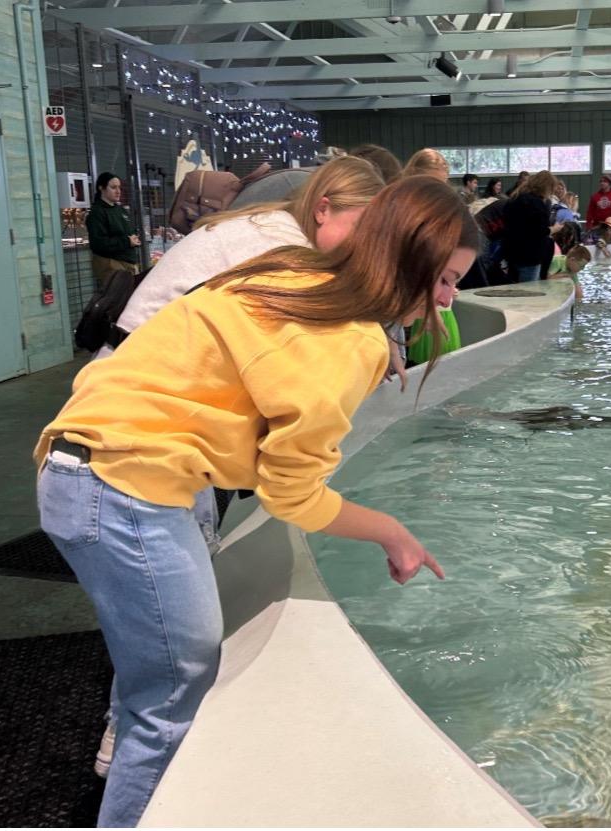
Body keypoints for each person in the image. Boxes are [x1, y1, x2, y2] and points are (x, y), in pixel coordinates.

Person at [34, 176, 478, 828]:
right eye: (442, 278)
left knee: (155, 685)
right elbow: (291, 493)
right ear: (403, 259)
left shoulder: (291, 272)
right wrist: (391, 531)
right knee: (173, 698)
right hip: (127, 489)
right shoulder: (349, 335)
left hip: (85, 462)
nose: (449, 297)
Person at [103, 156, 384, 357]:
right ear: (322, 210)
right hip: (136, 380)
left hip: (143, 367)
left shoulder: (271, 224)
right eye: (358, 227)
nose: (360, 244)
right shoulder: (278, 243)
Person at [501, 169, 558, 283]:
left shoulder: (515, 198)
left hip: (512, 251)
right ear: (546, 187)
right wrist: (553, 229)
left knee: (515, 286)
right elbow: (539, 231)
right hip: (530, 255)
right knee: (530, 290)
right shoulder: (537, 203)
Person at [86, 172, 140, 286]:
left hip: (129, 262)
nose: (118, 191)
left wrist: (134, 239)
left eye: (119, 187)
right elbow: (98, 244)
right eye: (113, 187)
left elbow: (130, 232)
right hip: (112, 264)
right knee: (119, 299)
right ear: (101, 188)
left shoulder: (120, 210)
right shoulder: (97, 213)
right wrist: (127, 241)